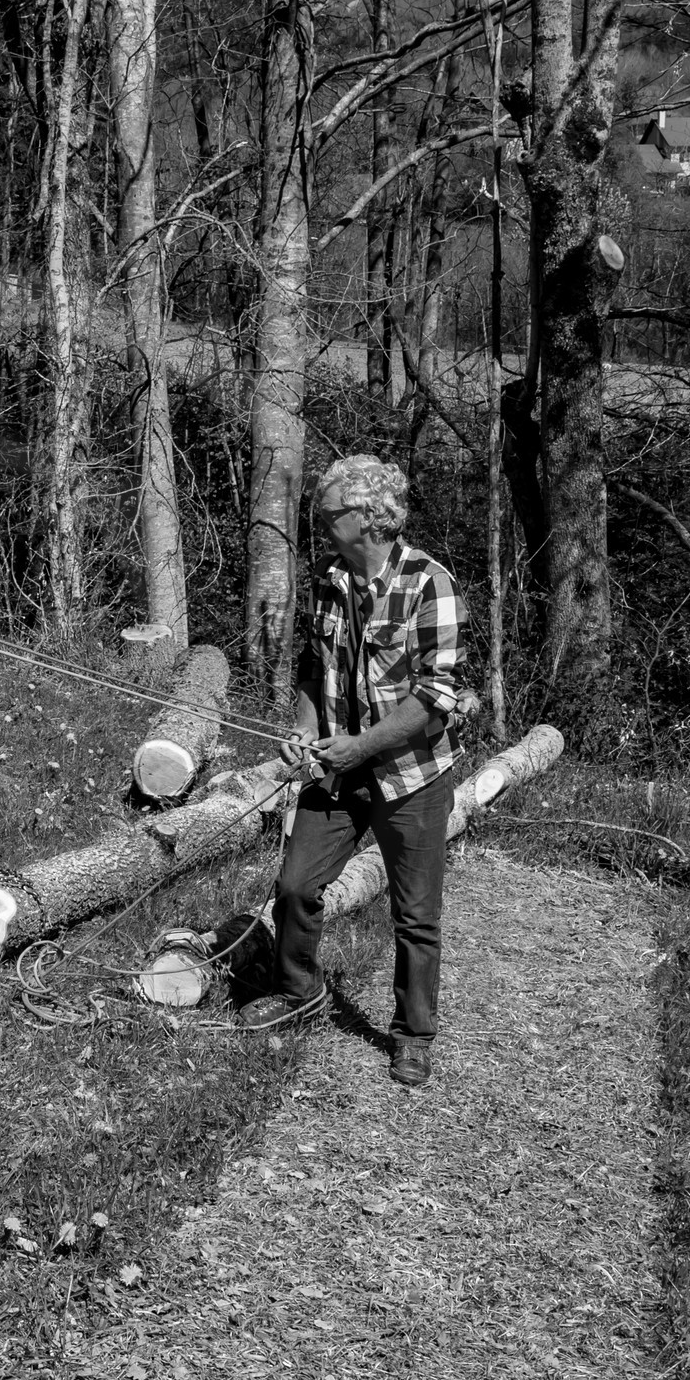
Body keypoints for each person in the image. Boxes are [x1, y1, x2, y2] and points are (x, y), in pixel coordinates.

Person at [240, 455, 469, 1088]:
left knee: (415, 917)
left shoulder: (431, 584)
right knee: (294, 887)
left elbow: (435, 700)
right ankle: (298, 992)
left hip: (412, 777)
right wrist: (305, 731)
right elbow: (315, 670)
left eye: (329, 512)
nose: (319, 520)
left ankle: (413, 1034)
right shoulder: (329, 579)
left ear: (369, 518)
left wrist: (360, 745)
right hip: (336, 770)